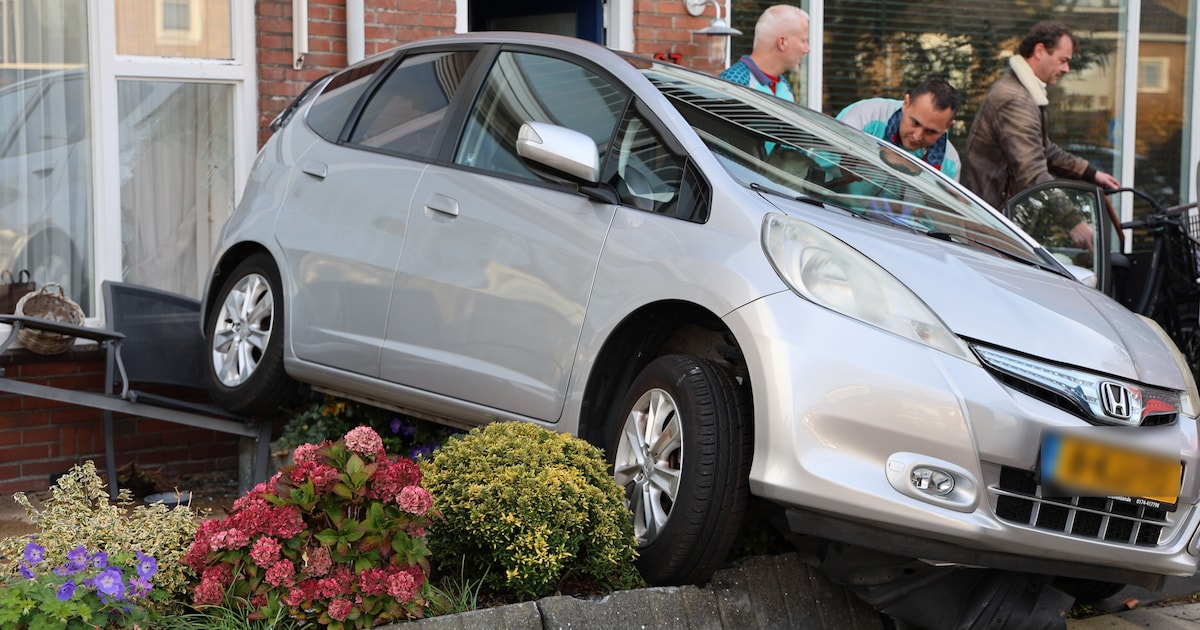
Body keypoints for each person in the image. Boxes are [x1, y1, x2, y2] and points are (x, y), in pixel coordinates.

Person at [961, 21, 1119, 247]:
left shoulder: (1024, 93)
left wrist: (1090, 172)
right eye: (1063, 60)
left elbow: (1044, 149)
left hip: (992, 224)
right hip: (988, 229)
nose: (1066, 69)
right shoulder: (1015, 100)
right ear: (1039, 51)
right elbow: (1032, 172)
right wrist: (1073, 221)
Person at [836, 77, 964, 180]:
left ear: (948, 126)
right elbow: (821, 163)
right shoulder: (864, 117)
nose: (917, 136)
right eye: (915, 122)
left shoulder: (950, 163)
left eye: (931, 131)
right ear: (906, 103)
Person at [719, 5, 810, 101]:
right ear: (782, 42)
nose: (807, 49)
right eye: (803, 41)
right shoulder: (734, 82)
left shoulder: (784, 86)